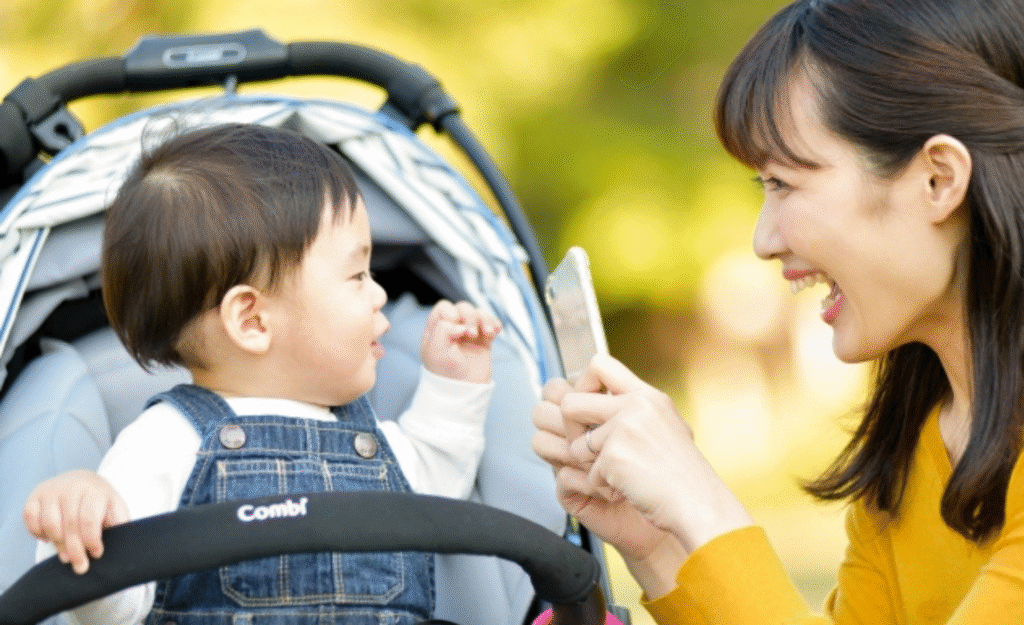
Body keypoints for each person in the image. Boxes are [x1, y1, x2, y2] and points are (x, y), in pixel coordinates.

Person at [532, 0, 1024, 623]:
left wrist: (699, 503)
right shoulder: (910, 458)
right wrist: (657, 542)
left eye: (784, 183)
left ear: (939, 180)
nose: (764, 241)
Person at [22, 122, 502, 625]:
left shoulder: (373, 445)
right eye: (358, 275)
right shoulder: (165, 444)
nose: (380, 294)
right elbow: (113, 607)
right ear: (252, 320)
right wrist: (78, 532)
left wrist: (453, 381)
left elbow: (440, 485)